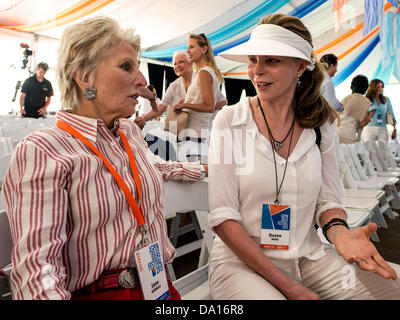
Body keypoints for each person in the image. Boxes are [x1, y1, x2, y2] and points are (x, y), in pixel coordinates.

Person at [3, 16, 207, 300]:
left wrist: (207, 170)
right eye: (127, 66)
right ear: (85, 77)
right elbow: (39, 275)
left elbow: (156, 166)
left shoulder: (127, 132)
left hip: (158, 284)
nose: (142, 80)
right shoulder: (42, 150)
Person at [210, 13, 400, 300]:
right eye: (253, 59)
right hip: (241, 265)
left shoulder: (321, 125)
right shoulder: (229, 120)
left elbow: (329, 201)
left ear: (300, 66)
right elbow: (223, 217)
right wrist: (292, 290)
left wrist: (340, 234)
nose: (256, 71)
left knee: (392, 288)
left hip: (307, 258)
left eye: (271, 60)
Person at [134, 50, 226, 130]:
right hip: (183, 133)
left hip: (204, 130)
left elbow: (223, 101)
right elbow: (161, 107)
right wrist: (144, 118)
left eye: (181, 62)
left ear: (190, 62)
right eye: (175, 64)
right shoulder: (174, 85)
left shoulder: (202, 78)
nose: (177, 66)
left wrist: (200, 111)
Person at [173, 34, 225, 142]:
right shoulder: (205, 72)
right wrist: (189, 102)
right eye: (187, 48)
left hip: (196, 136)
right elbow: (222, 101)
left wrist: (185, 105)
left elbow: (209, 106)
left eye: (191, 47)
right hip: (198, 133)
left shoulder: (204, 73)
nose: (188, 51)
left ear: (204, 49)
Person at [338, 75, 374, 144]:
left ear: (352, 86)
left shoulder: (346, 98)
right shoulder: (366, 102)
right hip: (349, 135)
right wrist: (369, 119)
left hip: (337, 133)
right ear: (366, 87)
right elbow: (362, 123)